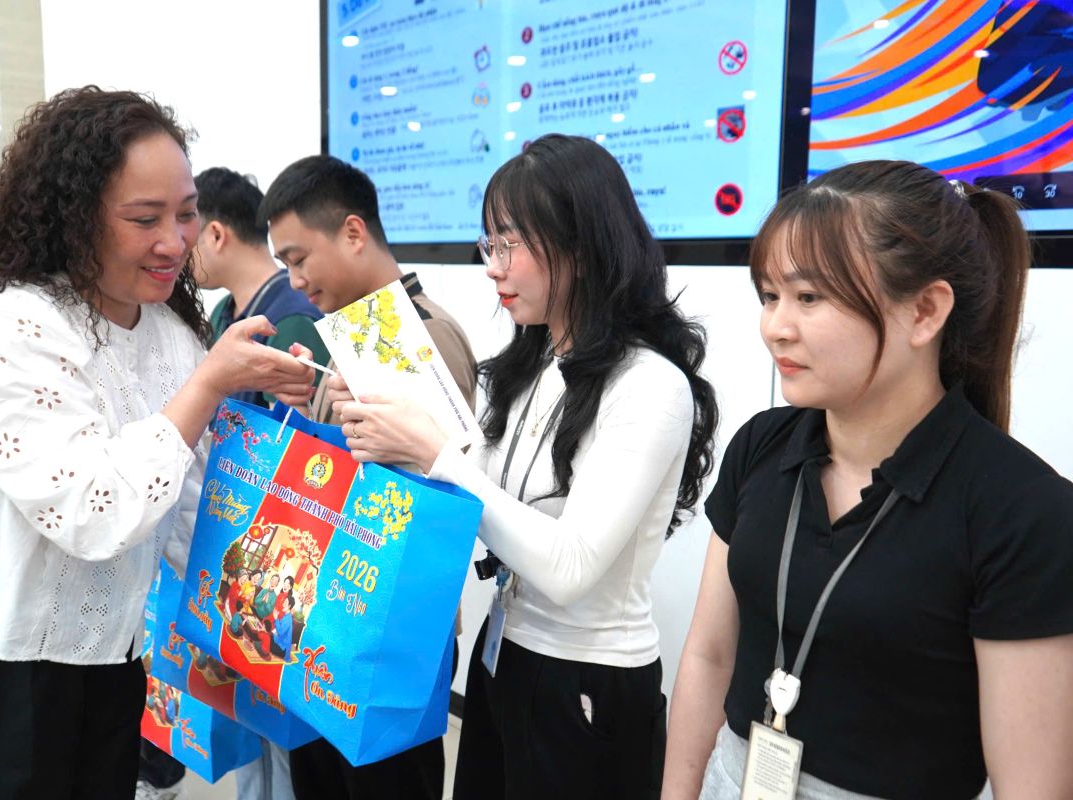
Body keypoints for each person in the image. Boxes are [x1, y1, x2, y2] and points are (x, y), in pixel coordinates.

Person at [0, 86, 315, 800]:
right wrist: (206, 389)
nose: (175, 242)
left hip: (104, 659)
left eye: (185, 214)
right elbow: (93, 511)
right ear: (76, 218)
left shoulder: (171, 336)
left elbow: (200, 504)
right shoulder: (10, 328)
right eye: (145, 219)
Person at [661, 161, 1073, 799]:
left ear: (925, 311)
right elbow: (710, 656)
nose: (776, 326)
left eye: (809, 297)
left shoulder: (1020, 510)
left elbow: (1032, 786)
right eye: (769, 296)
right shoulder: (762, 447)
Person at [331, 133, 718, 800]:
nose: (493, 268)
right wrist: (392, 427)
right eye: (490, 245)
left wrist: (437, 453)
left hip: (587, 686)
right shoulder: (535, 365)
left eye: (509, 244)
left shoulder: (649, 385)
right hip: (504, 656)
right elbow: (485, 498)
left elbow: (568, 568)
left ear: (581, 244)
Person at [259, 154, 478, 800]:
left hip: (391, 629)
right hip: (324, 617)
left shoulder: (428, 337)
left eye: (300, 258)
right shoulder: (342, 338)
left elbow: (442, 489)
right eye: (285, 266)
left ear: (354, 233)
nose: (295, 281)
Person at [193, 166, 331, 404]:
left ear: (216, 235)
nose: (177, 247)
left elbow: (294, 433)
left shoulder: (291, 320)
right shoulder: (223, 311)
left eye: (187, 232)